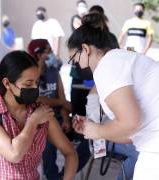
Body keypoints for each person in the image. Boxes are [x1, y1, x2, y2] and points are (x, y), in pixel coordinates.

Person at [67, 13, 159, 180]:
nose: (76, 66)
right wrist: (94, 129)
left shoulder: (108, 65)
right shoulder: (119, 59)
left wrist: (98, 130)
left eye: (74, 59)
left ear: (86, 49)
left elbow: (130, 122)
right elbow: (132, 134)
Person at [0, 50, 78, 180]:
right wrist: (33, 121)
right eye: (28, 84)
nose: (35, 88)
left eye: (37, 83)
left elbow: (70, 153)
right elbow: (14, 154)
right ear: (7, 84)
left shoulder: (42, 113)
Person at [28, 39, 71, 179]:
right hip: (40, 120)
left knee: (87, 142)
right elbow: (37, 100)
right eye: (49, 51)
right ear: (39, 55)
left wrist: (65, 118)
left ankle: (64, 174)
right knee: (47, 146)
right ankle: (53, 176)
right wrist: (61, 103)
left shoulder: (54, 71)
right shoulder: (29, 76)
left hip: (58, 116)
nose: (52, 54)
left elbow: (62, 98)